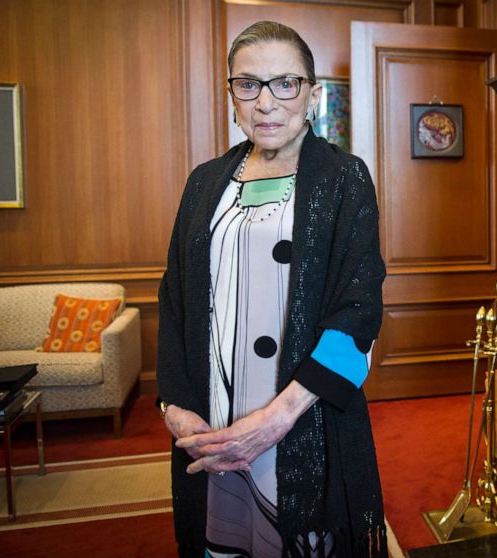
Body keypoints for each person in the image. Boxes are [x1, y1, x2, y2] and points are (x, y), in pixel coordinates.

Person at [156, 20, 387, 558]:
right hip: (213, 417)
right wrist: (174, 404)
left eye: (286, 83)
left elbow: (358, 311)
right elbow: (173, 300)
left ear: (311, 93)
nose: (266, 102)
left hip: (302, 415)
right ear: (231, 94)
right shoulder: (204, 181)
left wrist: (276, 419)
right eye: (248, 84)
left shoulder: (344, 178)